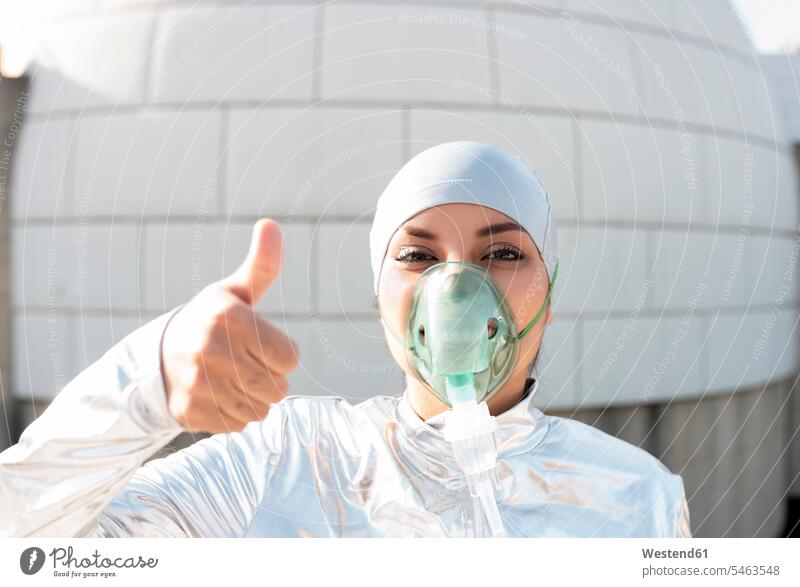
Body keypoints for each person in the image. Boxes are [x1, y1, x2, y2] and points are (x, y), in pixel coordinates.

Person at [0, 140, 691, 538]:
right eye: (418, 256)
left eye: (503, 254)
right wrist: (143, 384)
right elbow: (25, 545)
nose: (455, 288)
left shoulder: (636, 498)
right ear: (377, 290)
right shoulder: (279, 462)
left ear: (549, 284)